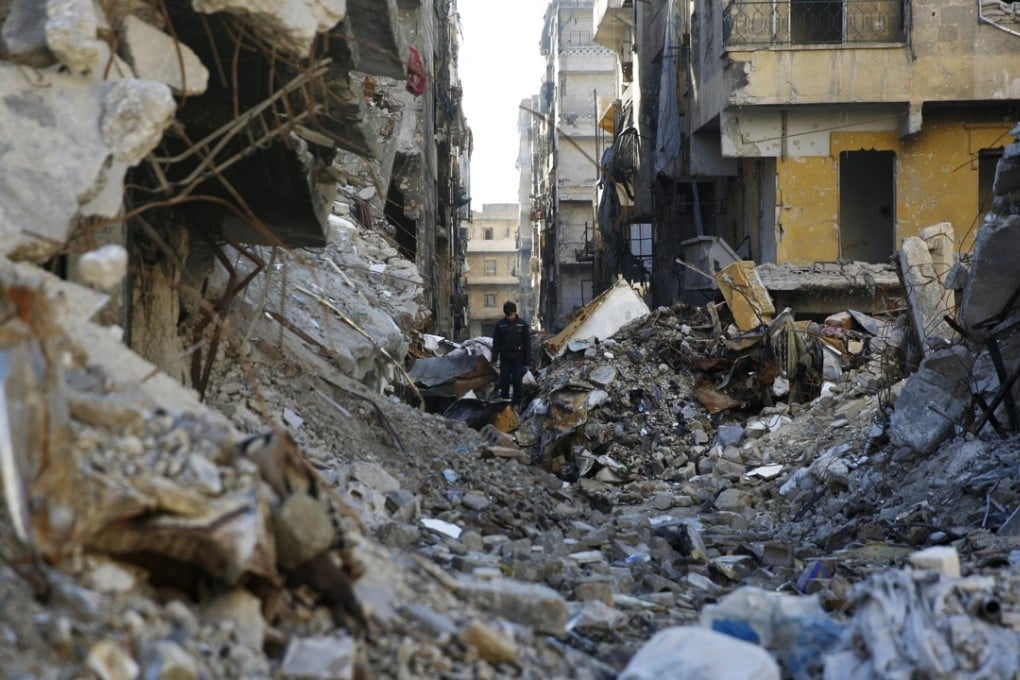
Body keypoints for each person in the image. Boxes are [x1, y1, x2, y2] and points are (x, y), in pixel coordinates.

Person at [491, 301, 530, 407]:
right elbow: (496, 344)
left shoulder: (522, 324)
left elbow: (527, 344)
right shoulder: (500, 325)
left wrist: (527, 362)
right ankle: (505, 404)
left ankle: (517, 405)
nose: (510, 318)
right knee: (504, 382)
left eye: (512, 315)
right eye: (508, 315)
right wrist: (494, 359)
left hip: (518, 358)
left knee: (517, 382)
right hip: (505, 359)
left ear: (515, 312)